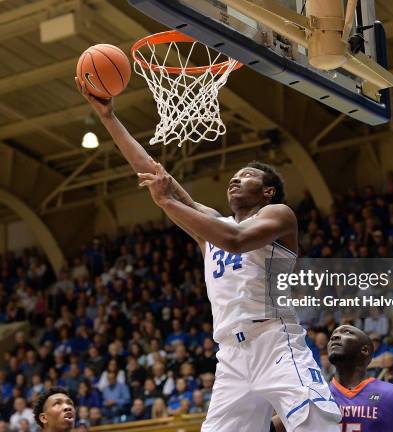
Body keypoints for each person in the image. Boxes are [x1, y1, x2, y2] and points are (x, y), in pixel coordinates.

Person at [77, 79, 341, 431]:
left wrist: (166, 202)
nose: (235, 179)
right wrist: (108, 116)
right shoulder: (212, 226)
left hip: (274, 342)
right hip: (231, 355)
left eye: (246, 176)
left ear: (268, 191)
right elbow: (157, 175)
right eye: (233, 176)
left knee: (317, 426)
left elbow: (233, 239)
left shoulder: (278, 214)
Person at [272, 325, 393, 432]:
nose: (335, 337)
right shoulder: (314, 395)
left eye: (346, 332)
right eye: (333, 336)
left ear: (365, 350)